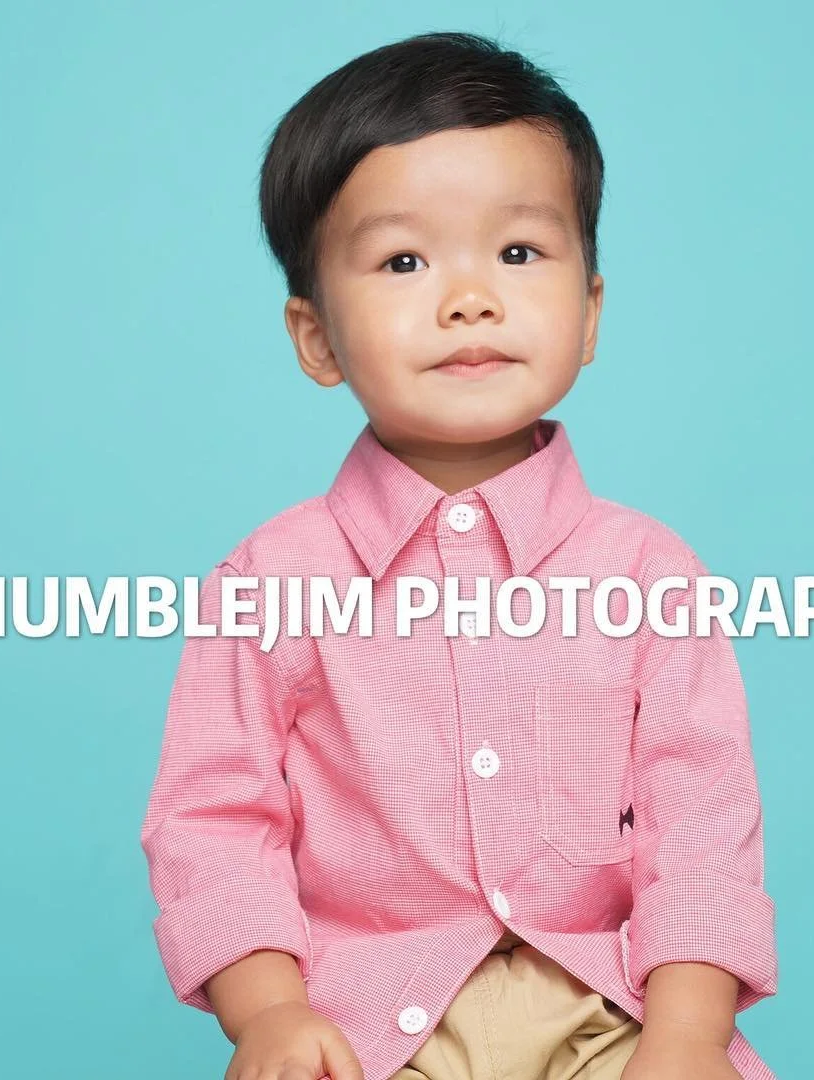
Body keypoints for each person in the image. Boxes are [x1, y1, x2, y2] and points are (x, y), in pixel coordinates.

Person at [140, 30, 778, 1080]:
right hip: (362, 1027)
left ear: (590, 314)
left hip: (614, 1014)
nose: (469, 298)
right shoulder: (271, 581)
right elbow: (214, 819)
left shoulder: (649, 574)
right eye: (403, 261)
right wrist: (267, 1017)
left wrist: (688, 1034)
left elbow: (701, 822)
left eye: (519, 253)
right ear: (317, 340)